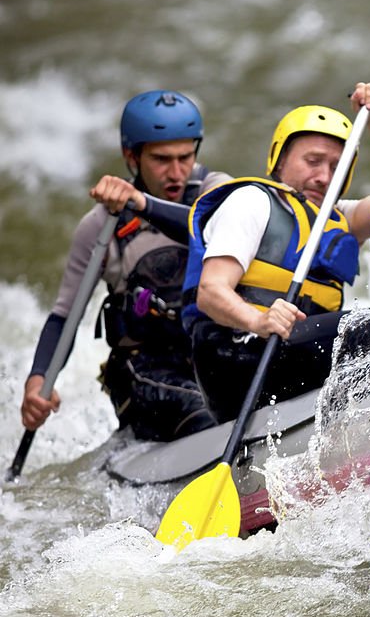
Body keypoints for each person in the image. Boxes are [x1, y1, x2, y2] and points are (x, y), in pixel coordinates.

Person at [20, 90, 229, 441]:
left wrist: (143, 203)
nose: (176, 172)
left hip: (209, 354)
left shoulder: (216, 190)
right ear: (131, 156)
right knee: (202, 412)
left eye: (185, 157)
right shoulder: (101, 226)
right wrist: (37, 381)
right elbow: (63, 317)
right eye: (162, 159)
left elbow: (208, 225)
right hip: (145, 373)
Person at [181, 84, 370, 423]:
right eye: (312, 161)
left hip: (292, 355)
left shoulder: (343, 218)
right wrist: (259, 320)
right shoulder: (252, 201)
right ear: (279, 162)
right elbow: (210, 292)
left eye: (335, 166)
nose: (324, 176)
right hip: (237, 356)